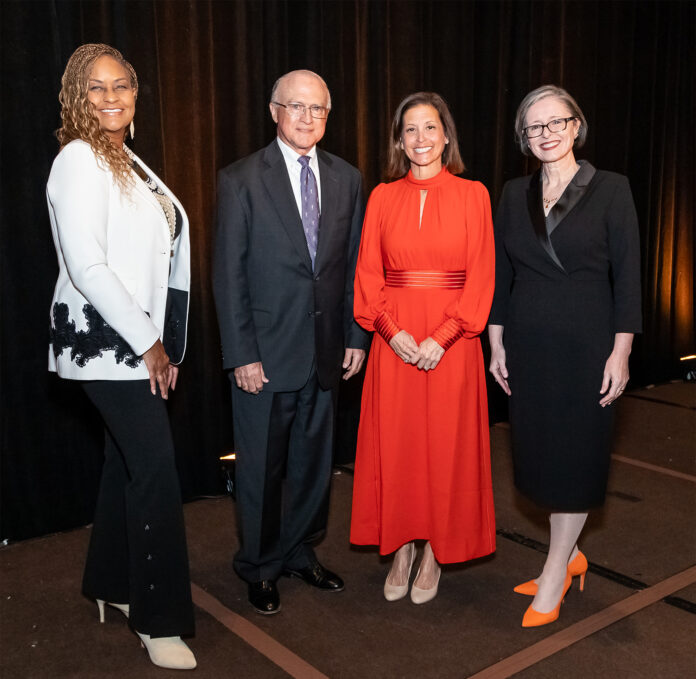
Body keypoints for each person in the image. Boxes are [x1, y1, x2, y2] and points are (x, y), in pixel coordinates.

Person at [46, 44, 195, 669]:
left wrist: (168, 339)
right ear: (76, 98)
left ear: (135, 94)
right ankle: (159, 619)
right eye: (96, 88)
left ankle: (112, 582)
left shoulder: (126, 160)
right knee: (156, 470)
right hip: (108, 347)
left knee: (125, 464)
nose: (111, 97)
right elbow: (88, 266)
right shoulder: (77, 160)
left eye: (122, 86)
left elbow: (160, 260)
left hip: (134, 343)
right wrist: (151, 342)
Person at [212, 70, 370, 615]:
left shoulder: (348, 178)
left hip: (326, 351)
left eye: (318, 109)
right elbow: (227, 275)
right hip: (265, 354)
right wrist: (241, 354)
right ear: (274, 110)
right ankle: (258, 566)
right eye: (296, 107)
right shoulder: (240, 179)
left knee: (311, 465)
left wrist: (355, 335)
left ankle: (300, 553)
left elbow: (351, 267)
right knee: (260, 468)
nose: (307, 118)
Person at [488, 85, 642, 627]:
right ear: (523, 138)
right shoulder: (512, 194)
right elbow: (502, 274)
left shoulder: (611, 189)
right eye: (535, 126)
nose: (547, 133)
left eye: (557, 122)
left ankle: (555, 572)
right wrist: (496, 338)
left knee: (575, 462)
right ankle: (571, 555)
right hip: (529, 348)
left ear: (576, 126)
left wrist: (621, 352)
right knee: (542, 461)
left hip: (587, 348)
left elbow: (627, 278)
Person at [350, 92, 496, 604]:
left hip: (451, 344)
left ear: (446, 135)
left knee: (445, 449)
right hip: (397, 343)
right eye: (410, 130)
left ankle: (434, 549)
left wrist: (445, 337)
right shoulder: (382, 198)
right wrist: (392, 333)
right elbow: (367, 274)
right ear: (399, 141)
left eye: (429, 127)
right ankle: (404, 546)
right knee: (401, 447)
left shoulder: (474, 194)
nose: (421, 139)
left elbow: (481, 277)